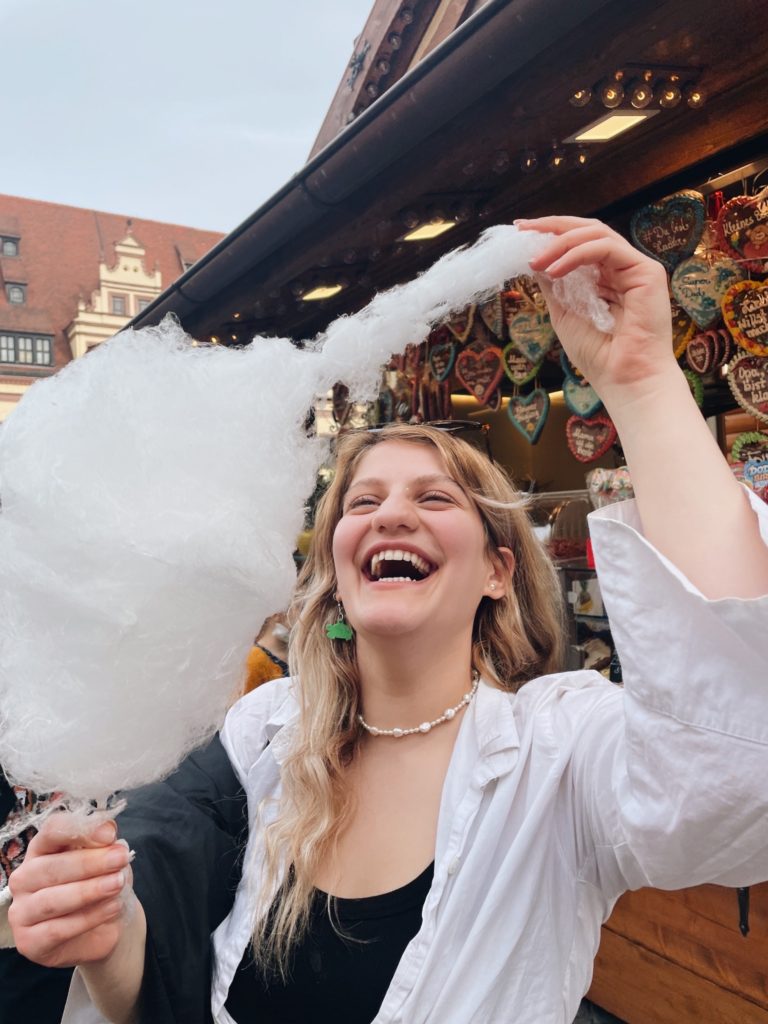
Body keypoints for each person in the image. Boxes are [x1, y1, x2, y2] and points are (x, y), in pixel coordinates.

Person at [6, 216, 768, 1024]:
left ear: (497, 572)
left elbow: (734, 764)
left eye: (434, 499)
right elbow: (153, 984)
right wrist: (103, 923)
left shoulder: (559, 755)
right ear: (335, 571)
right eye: (361, 502)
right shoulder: (262, 738)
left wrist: (644, 380)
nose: (389, 515)